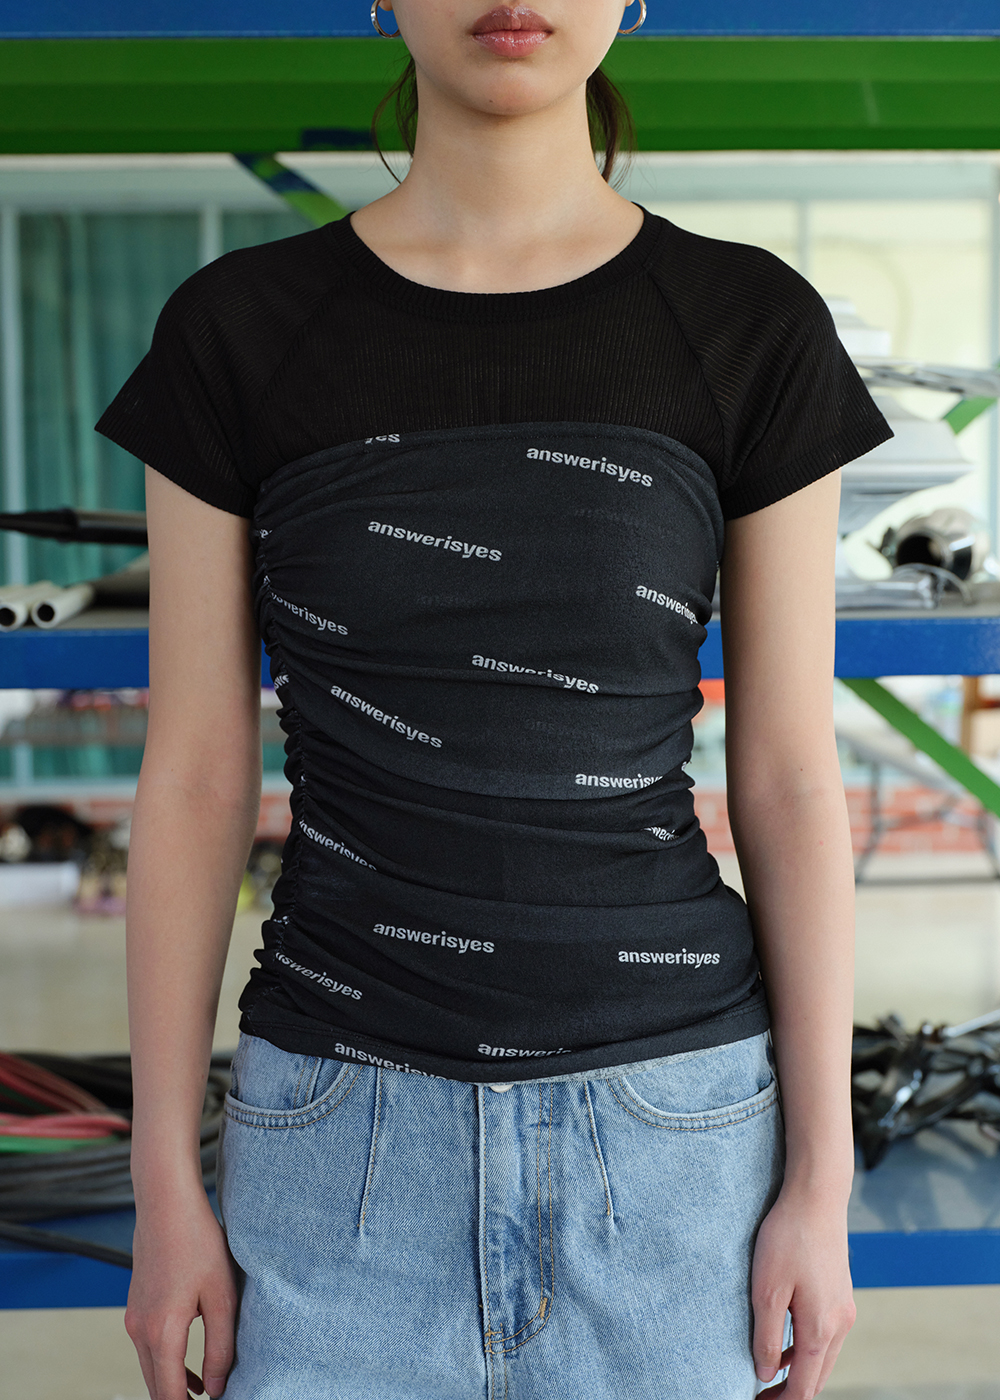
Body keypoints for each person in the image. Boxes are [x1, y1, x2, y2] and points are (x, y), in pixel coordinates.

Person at [97, 3, 892, 1398]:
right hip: (336, 1140)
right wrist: (164, 1184)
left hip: (671, 1141)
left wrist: (819, 1182)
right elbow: (198, 778)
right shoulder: (238, 330)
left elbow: (786, 776)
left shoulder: (747, 325)